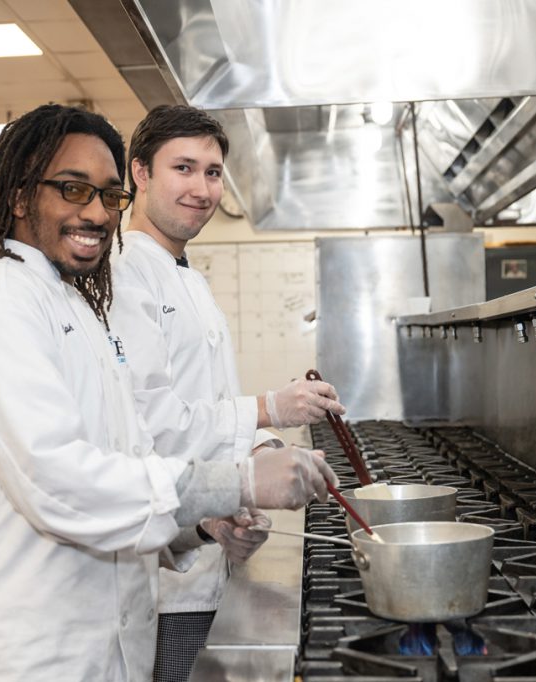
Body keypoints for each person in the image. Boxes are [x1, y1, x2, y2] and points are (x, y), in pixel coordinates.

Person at [0, 103, 340, 681]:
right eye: (73, 190)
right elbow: (59, 482)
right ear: (20, 196)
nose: (96, 213)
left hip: (110, 639)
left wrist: (201, 524)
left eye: (106, 196)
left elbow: (131, 454)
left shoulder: (77, 303)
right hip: (30, 648)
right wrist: (239, 479)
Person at [110, 104, 347, 681]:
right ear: (140, 173)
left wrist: (265, 449)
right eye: (183, 169)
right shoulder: (122, 272)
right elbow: (149, 423)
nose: (202, 188)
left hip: (210, 547)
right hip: (165, 580)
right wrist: (269, 408)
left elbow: (215, 398)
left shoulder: (187, 274)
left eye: (213, 172)